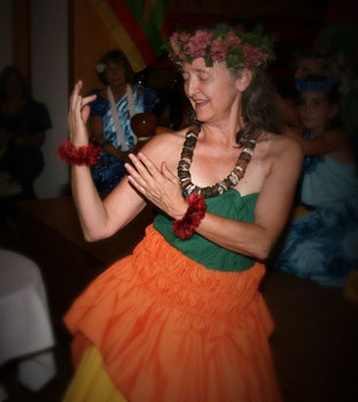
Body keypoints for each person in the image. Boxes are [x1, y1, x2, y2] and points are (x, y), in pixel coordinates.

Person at [59, 24, 303, 402]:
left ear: (243, 78)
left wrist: (181, 209)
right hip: (155, 306)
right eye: (186, 76)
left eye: (204, 75)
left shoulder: (283, 153)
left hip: (228, 321)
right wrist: (78, 147)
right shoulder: (166, 148)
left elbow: (261, 242)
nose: (191, 88)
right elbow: (97, 227)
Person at [274, 74, 358, 287]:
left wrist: (267, 114)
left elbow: (302, 146)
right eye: (303, 102)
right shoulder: (307, 133)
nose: (307, 109)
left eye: (316, 103)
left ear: (333, 110)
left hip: (340, 217)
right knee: (275, 252)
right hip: (312, 215)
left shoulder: (336, 137)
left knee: (297, 261)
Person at [87, 49, 159, 193]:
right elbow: (98, 137)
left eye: (118, 68)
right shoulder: (98, 100)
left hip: (140, 158)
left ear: (126, 70)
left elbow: (150, 131)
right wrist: (122, 156)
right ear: (104, 74)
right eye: (109, 69)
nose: (114, 73)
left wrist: (136, 154)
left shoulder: (143, 95)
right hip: (110, 162)